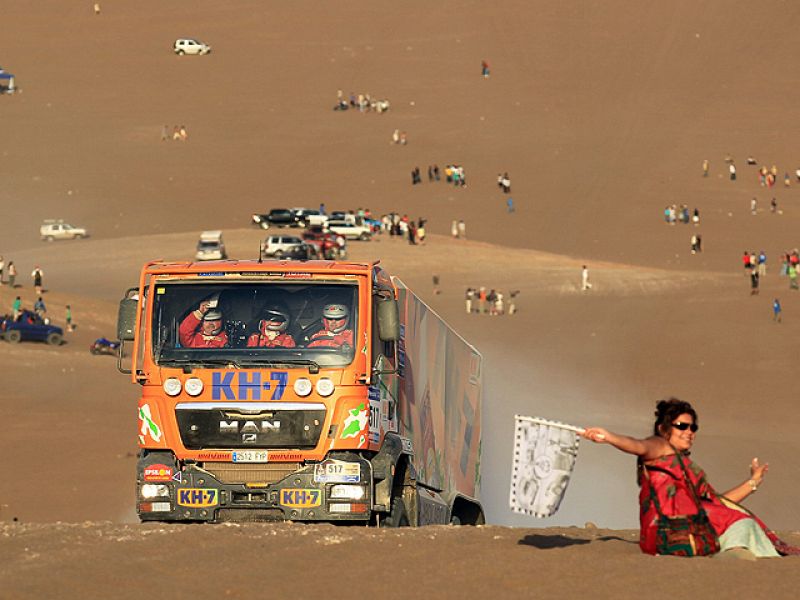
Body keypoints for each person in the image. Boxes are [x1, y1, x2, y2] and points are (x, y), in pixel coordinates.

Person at [581, 398, 800, 557]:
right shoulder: (659, 446)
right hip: (671, 532)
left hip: (687, 531)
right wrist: (609, 437)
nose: (689, 432)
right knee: (741, 524)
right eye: (681, 426)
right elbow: (637, 445)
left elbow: (717, 502)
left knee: (738, 520)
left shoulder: (683, 465)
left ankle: (737, 553)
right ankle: (736, 556)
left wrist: (753, 481)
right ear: (663, 428)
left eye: (692, 427)